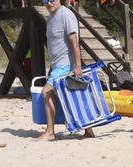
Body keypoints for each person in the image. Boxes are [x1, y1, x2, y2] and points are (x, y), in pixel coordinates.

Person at [37, 0, 94, 141]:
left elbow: (74, 42)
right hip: (57, 65)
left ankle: (50, 132)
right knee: (73, 95)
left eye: (52, 0)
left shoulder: (66, 14)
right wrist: (52, 67)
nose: (49, 3)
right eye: (45, 0)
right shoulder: (50, 19)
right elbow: (54, 45)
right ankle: (89, 131)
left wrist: (78, 66)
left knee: (46, 91)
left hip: (66, 64)